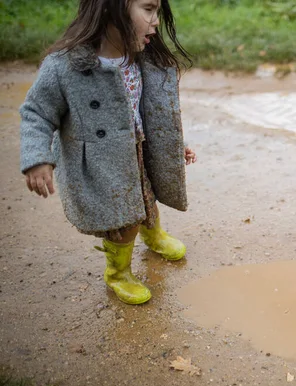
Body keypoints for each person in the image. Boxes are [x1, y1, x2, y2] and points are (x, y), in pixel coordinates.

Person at [19, 0, 197, 305]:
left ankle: (152, 234)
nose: (156, 21)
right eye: (149, 9)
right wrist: (37, 159)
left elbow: (153, 111)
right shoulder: (64, 66)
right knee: (122, 218)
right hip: (103, 162)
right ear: (111, 7)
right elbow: (36, 113)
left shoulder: (140, 59)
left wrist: (172, 143)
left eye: (158, 12)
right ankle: (118, 272)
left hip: (138, 147)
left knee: (147, 196)